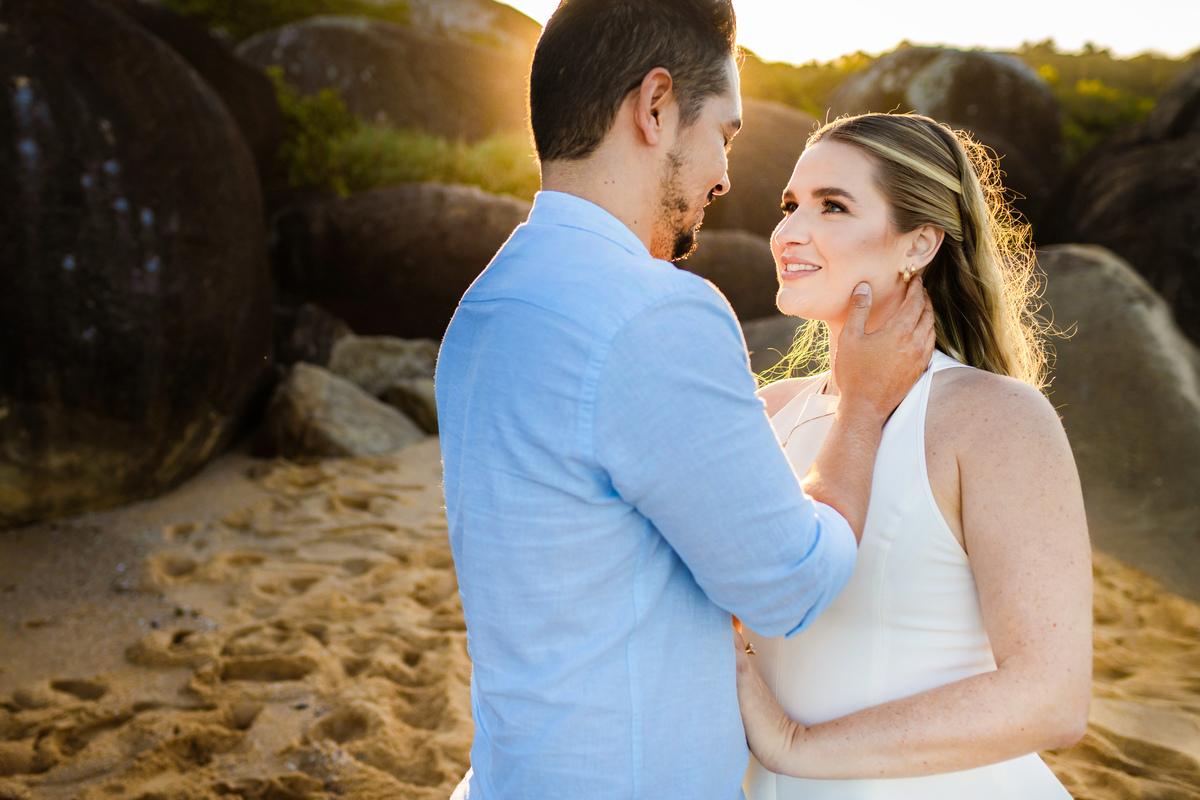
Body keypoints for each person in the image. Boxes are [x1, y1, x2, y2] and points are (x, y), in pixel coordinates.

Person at [435, 2, 936, 797]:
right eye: (724, 133)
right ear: (656, 107)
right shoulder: (656, 312)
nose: (726, 175)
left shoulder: (486, 305)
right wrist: (866, 405)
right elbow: (791, 584)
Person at [734, 112, 1092, 799]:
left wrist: (794, 746)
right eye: (789, 206)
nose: (788, 232)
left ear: (919, 244)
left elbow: (1052, 697)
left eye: (832, 206)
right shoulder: (767, 412)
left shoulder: (995, 419)